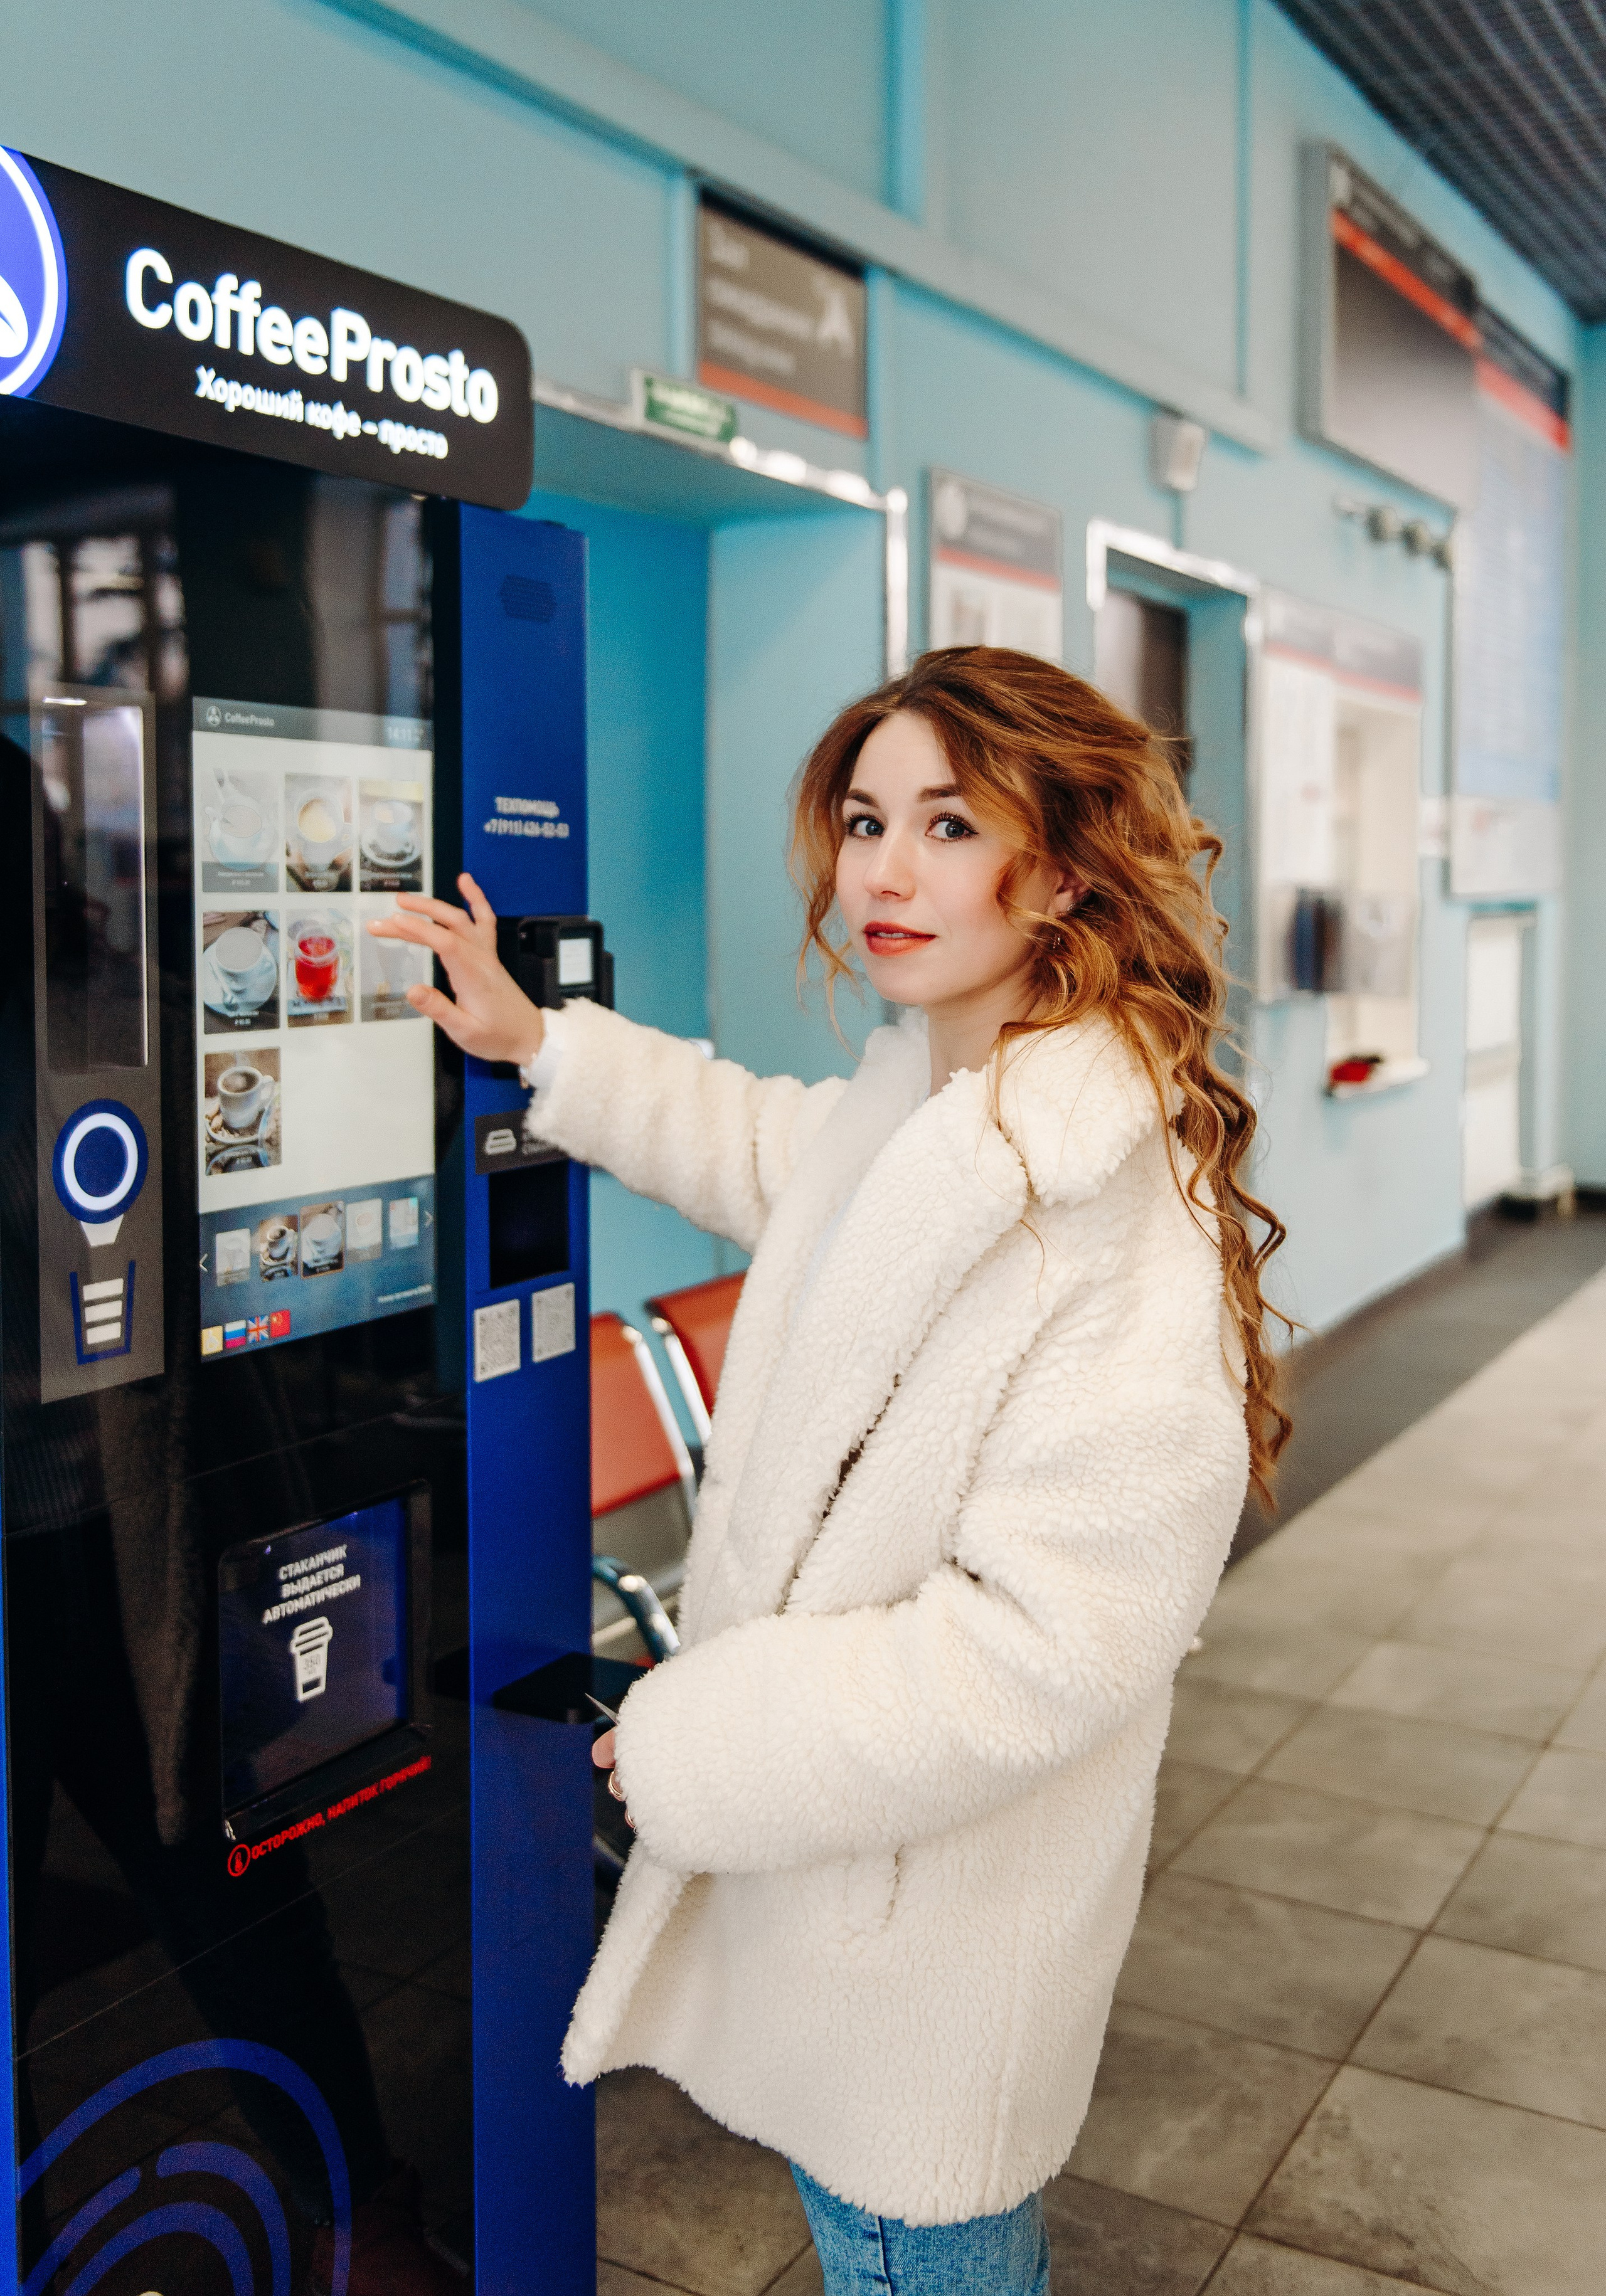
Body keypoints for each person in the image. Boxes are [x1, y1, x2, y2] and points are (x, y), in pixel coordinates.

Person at [370, 646, 1289, 2294]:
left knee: (913, 2246)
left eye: (949, 824)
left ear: (1068, 863)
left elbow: (1046, 1653)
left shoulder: (1100, 1204)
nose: (881, 870)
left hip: (927, 1956)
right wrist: (538, 1041)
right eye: (866, 820)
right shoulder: (924, 1112)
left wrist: (692, 1743)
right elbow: (746, 1140)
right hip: (861, 1904)